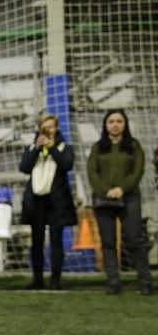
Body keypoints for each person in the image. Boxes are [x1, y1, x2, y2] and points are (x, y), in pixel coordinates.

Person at [86, 109, 153, 295]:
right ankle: (113, 282)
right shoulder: (97, 147)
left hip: (129, 198)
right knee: (108, 242)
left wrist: (121, 189)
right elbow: (92, 172)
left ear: (125, 124)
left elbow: (137, 171)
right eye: (111, 121)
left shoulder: (134, 146)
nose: (115, 125)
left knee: (135, 240)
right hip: (103, 200)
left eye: (119, 121)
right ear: (105, 125)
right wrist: (106, 190)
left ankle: (145, 282)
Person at [18, 112, 77, 290]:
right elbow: (24, 167)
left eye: (50, 127)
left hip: (56, 201)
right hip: (36, 202)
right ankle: (37, 278)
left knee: (55, 240)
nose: (47, 130)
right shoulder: (32, 148)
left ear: (56, 128)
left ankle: (55, 278)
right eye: (43, 127)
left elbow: (66, 165)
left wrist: (51, 147)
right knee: (36, 241)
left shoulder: (65, 147)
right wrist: (37, 148)